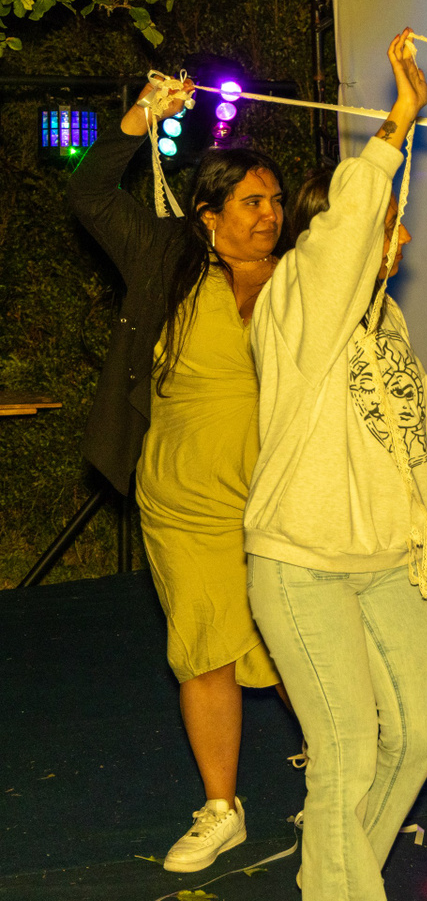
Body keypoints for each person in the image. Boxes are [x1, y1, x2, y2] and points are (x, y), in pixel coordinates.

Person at [245, 29, 427, 897]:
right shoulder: (296, 300)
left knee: (421, 735)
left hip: (389, 561)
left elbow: (412, 443)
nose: (397, 233)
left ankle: (333, 877)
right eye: (382, 221)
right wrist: (397, 123)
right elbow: (344, 235)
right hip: (302, 562)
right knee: (348, 749)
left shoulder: (386, 323)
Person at [69, 85, 294, 872]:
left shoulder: (301, 278)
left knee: (297, 639)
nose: (270, 214)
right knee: (204, 645)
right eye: (252, 201)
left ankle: (339, 769)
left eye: (276, 201)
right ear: (207, 214)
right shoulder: (167, 257)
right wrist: (139, 119)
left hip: (282, 493)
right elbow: (91, 194)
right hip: (185, 496)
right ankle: (222, 807)